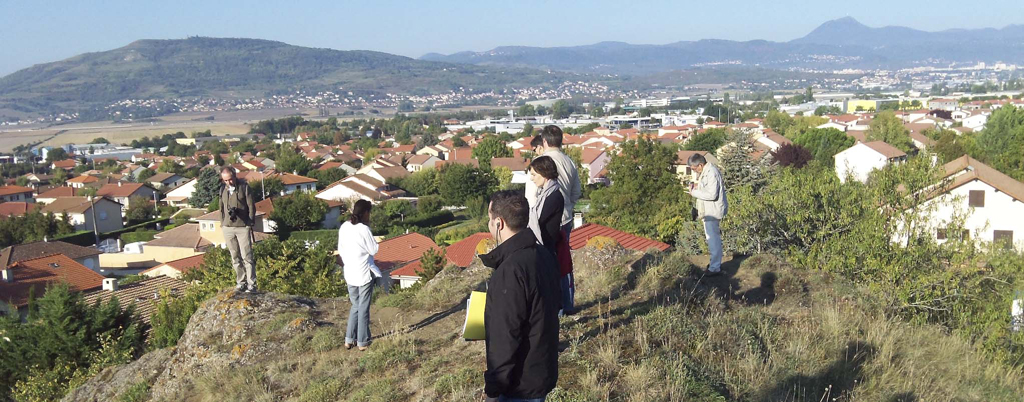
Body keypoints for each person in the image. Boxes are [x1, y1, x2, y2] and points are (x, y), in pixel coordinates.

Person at [481, 190, 561, 402]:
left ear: (499, 223)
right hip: (541, 371)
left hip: (518, 385)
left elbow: (505, 336)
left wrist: (493, 388)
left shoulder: (510, 270)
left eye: (489, 219)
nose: (488, 225)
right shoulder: (543, 254)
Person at [526, 156, 575, 315]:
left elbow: (539, 220)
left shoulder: (554, 195)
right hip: (545, 244)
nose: (532, 179)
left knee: (551, 281)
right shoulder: (547, 193)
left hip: (547, 245)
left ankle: (558, 310)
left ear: (544, 173)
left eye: (534, 174)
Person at [338, 199, 381, 351]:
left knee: (355, 305)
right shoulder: (364, 229)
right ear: (366, 213)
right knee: (363, 308)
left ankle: (349, 339)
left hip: (349, 272)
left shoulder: (344, 226)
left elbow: (341, 250)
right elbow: (374, 249)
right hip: (363, 273)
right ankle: (362, 341)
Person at [525, 125, 582, 239]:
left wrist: (534, 220)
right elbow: (576, 191)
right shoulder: (569, 161)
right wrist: (568, 206)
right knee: (562, 253)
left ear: (544, 141)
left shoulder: (538, 163)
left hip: (545, 220)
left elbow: (531, 195)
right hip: (565, 217)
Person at [687, 153, 728, 276]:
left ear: (700, 165)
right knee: (712, 238)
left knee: (713, 239)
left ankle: (715, 268)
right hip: (709, 210)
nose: (694, 171)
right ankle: (714, 265)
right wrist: (697, 187)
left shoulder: (711, 173)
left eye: (694, 169)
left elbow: (712, 195)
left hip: (712, 211)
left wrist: (693, 192)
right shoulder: (706, 171)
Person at [219, 166, 257, 292]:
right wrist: (222, 223)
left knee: (247, 256)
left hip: (243, 227)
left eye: (230, 179)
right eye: (225, 180)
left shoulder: (244, 188)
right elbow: (221, 208)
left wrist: (249, 223)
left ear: (235, 176)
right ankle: (241, 282)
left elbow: (251, 206)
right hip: (228, 227)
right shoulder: (222, 190)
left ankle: (252, 284)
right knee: (235, 256)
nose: (228, 182)